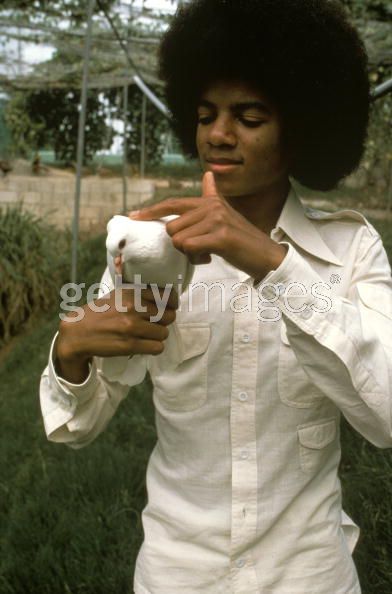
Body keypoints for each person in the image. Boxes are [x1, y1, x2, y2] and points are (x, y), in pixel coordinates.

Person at [40, 1, 392, 592]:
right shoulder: (153, 249)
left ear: (300, 127)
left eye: (250, 117)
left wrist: (270, 261)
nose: (219, 135)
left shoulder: (350, 250)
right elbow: (77, 426)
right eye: (206, 116)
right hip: (179, 575)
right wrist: (69, 353)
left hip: (308, 575)